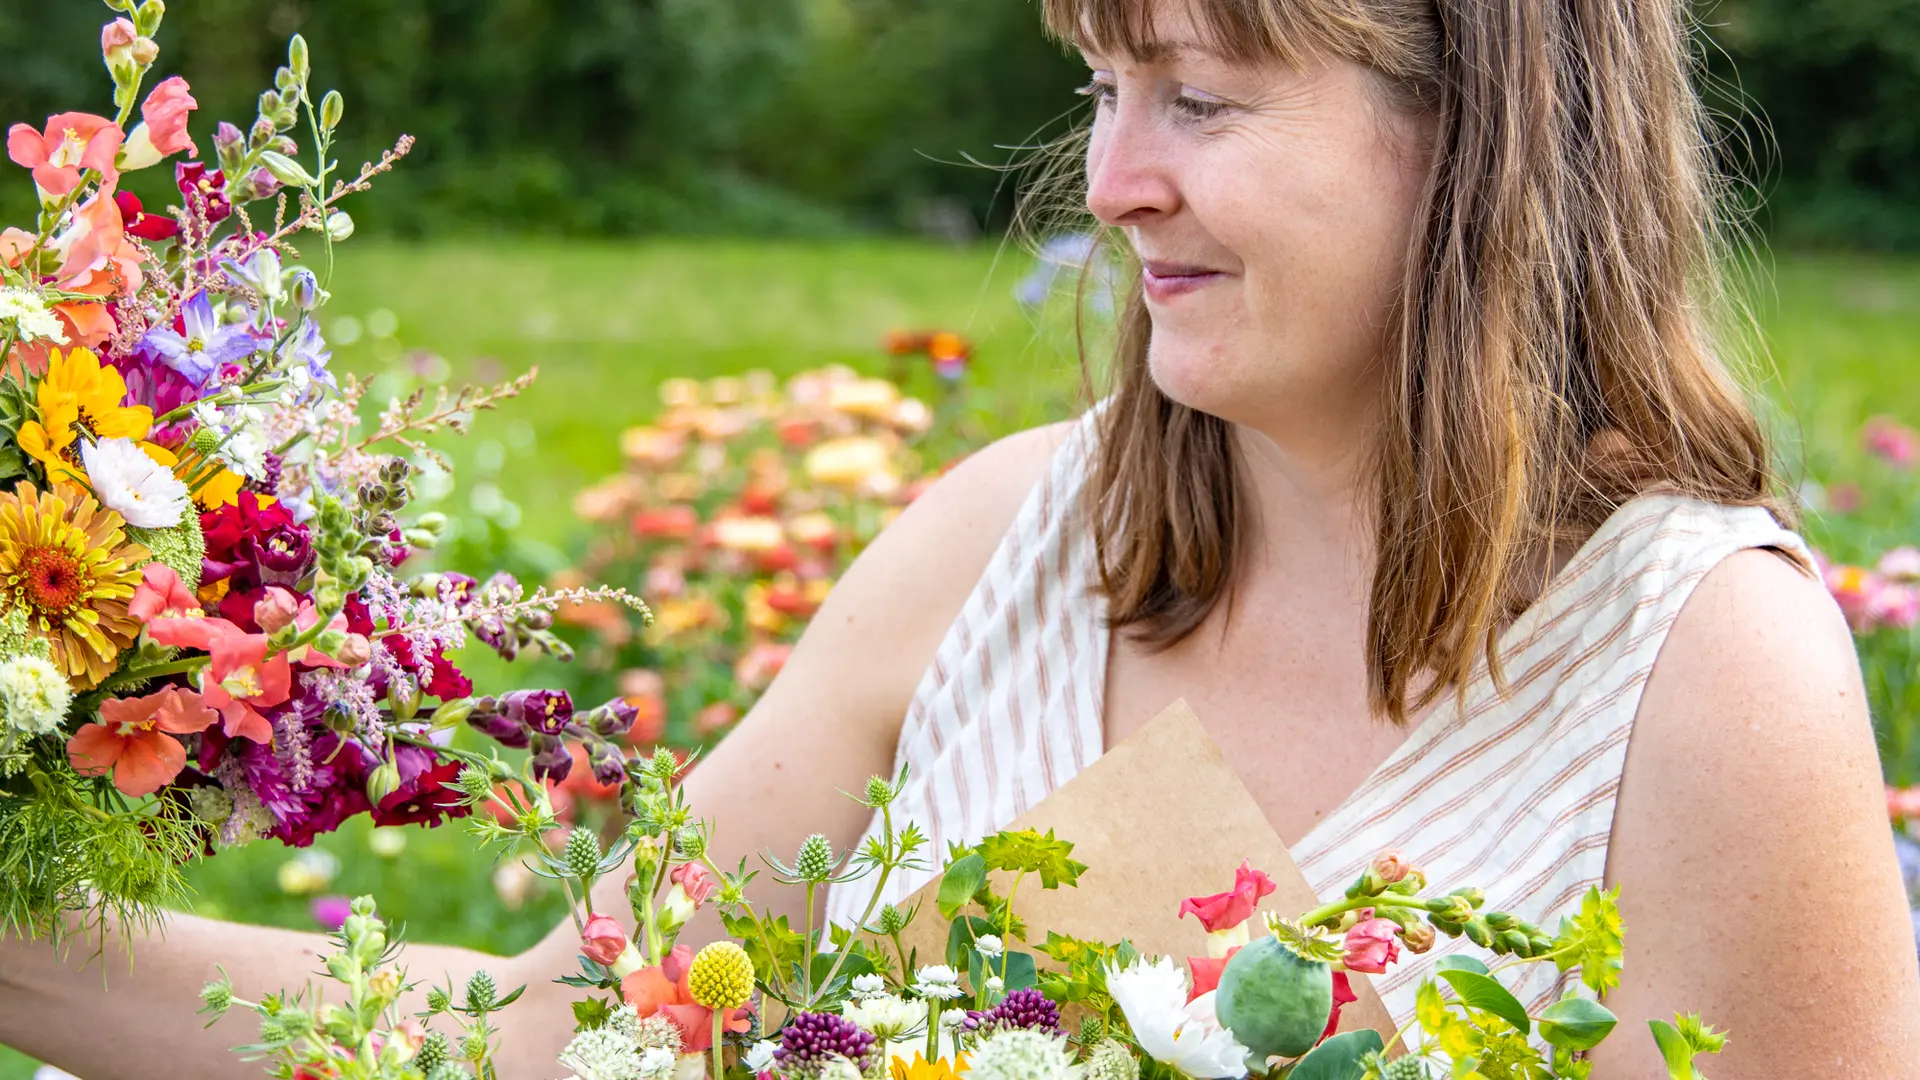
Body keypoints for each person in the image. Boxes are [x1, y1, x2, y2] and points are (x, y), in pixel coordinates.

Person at [7, 0, 1919, 1075]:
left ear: (1488, 139)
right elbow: (554, 1039)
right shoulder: (1010, 542)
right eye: (1102, 87)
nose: (1111, 179)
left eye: (1202, 98)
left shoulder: (1703, 672)